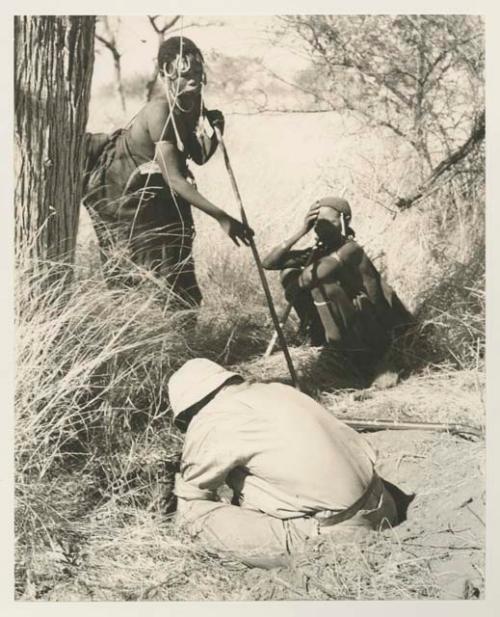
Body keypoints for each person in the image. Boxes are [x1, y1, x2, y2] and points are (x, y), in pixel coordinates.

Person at [168, 358, 412, 568]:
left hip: (340, 537)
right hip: (384, 503)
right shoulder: (276, 389)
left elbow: (192, 496)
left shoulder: (213, 419)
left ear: (190, 409)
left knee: (192, 518)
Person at [83, 36, 252, 307]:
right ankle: (141, 336)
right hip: (124, 197)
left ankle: (179, 337)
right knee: (142, 278)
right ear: (166, 72)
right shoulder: (161, 109)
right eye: (185, 73)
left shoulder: (191, 104)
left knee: (177, 277)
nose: (194, 79)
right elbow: (175, 178)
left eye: (197, 72)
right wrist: (222, 218)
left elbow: (197, 156)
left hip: (154, 193)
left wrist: (215, 131)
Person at [262, 196, 414, 383]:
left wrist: (296, 285)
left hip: (375, 329)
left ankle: (341, 354)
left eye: (325, 222)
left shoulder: (351, 249)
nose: (319, 228)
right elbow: (268, 263)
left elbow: (311, 276)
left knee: (320, 284)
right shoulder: (317, 252)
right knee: (288, 272)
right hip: (350, 323)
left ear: (344, 220)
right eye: (315, 223)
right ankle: (321, 339)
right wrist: (302, 231)